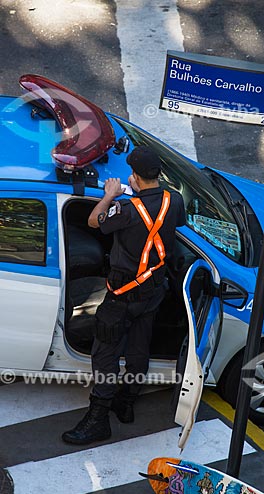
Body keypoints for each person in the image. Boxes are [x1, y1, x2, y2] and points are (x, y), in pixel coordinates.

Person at [62, 145, 186, 445]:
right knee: (138, 347)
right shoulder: (175, 200)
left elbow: (94, 222)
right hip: (153, 290)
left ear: (136, 178)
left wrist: (109, 195)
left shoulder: (126, 210)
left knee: (104, 354)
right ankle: (126, 402)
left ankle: (98, 419)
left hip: (121, 294)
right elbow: (174, 224)